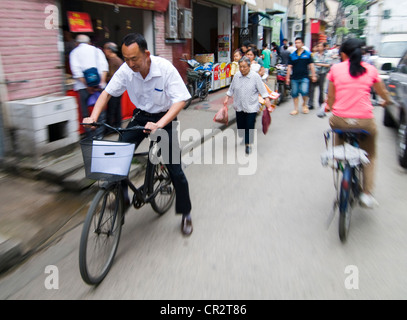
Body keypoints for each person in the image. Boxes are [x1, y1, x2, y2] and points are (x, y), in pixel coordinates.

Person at [83, 33, 193, 236]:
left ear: (147, 54)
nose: (130, 63)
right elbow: (106, 93)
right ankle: (122, 196)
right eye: (126, 59)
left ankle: (186, 213)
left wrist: (159, 124)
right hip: (141, 116)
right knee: (117, 156)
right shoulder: (126, 70)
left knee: (175, 169)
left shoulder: (165, 69)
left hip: (164, 118)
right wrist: (93, 116)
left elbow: (180, 101)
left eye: (134, 59)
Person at [326, 38, 392, 208]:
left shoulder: (335, 69)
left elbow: (331, 97)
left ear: (343, 54)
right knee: (370, 155)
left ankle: (336, 156)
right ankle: (367, 194)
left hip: (340, 119)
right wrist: (387, 101)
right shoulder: (370, 70)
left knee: (337, 126)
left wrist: (332, 108)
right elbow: (382, 92)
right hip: (364, 121)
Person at [223, 56, 274, 155]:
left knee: (249, 125)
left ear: (249, 66)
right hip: (239, 106)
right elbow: (231, 89)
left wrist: (268, 104)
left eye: (244, 67)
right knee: (241, 126)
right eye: (240, 67)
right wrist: (226, 98)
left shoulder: (255, 77)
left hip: (251, 107)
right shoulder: (237, 75)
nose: (242, 69)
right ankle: (244, 137)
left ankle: (248, 144)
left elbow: (263, 92)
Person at [69, 34, 109, 139]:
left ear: (76, 43)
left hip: (83, 87)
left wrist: (87, 86)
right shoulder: (97, 51)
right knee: (101, 111)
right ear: (89, 42)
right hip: (99, 86)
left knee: (85, 113)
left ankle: (90, 136)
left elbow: (76, 72)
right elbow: (104, 67)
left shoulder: (74, 52)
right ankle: (99, 135)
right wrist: (100, 83)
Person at [286, 37, 317, 115]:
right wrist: (287, 77)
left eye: (299, 42)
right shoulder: (292, 55)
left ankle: (304, 104)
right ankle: (296, 109)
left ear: (302, 44)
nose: (297, 44)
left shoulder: (308, 54)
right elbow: (289, 67)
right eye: (296, 43)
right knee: (294, 93)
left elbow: (311, 66)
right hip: (294, 77)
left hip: (304, 77)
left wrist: (313, 75)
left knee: (304, 91)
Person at [103, 42, 124, 131]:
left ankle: (109, 129)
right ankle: (118, 125)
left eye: (105, 49)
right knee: (117, 108)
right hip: (119, 88)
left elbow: (111, 76)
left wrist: (103, 78)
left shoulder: (112, 61)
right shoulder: (119, 60)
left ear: (109, 50)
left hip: (114, 88)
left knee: (111, 109)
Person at [309, 42, 331, 111]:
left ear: (324, 47)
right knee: (311, 89)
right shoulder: (315, 55)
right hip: (314, 73)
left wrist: (319, 64)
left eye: (320, 46)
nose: (319, 47)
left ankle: (321, 103)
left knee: (321, 89)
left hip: (322, 73)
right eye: (318, 46)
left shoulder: (327, 55)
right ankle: (311, 104)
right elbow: (312, 63)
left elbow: (328, 64)